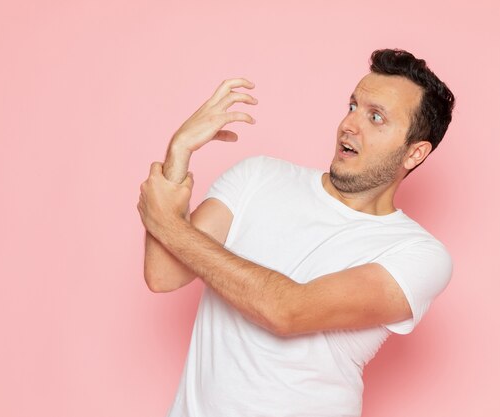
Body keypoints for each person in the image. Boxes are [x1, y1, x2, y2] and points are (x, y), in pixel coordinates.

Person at [137, 48, 456, 417]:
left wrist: (169, 224)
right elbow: (163, 274)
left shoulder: (417, 255)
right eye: (352, 106)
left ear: (414, 154)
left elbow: (287, 311)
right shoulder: (257, 176)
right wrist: (179, 150)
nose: (350, 125)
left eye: (375, 117)